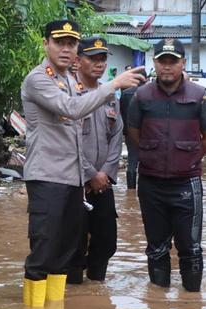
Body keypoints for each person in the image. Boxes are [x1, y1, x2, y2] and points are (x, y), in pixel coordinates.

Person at [21, 20, 144, 307]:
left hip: (72, 181)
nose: (65, 49)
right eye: (59, 42)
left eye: (71, 43)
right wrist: (114, 84)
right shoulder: (38, 79)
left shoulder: (69, 82)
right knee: (44, 253)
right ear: (45, 44)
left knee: (64, 254)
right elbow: (72, 110)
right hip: (47, 177)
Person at [126, 38, 206, 292]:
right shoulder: (141, 96)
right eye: (162, 61)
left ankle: (191, 302)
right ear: (154, 63)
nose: (167, 67)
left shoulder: (200, 96)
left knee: (190, 247)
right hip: (150, 182)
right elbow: (132, 132)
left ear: (182, 64)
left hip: (186, 182)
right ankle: (158, 306)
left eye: (173, 61)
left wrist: (190, 157)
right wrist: (151, 154)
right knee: (156, 246)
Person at [67, 36, 124, 284]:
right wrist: (90, 174)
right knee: (73, 243)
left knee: (107, 241)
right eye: (93, 58)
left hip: (104, 183)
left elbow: (117, 136)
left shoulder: (111, 96)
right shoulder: (69, 95)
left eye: (103, 59)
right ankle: (74, 294)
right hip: (75, 181)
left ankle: (96, 289)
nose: (99, 64)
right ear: (78, 61)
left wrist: (106, 174)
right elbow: (67, 141)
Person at [120, 69, 147, 189]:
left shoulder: (125, 93)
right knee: (147, 161)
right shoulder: (150, 93)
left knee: (132, 159)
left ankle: (130, 189)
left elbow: (121, 113)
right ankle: (145, 187)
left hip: (130, 131)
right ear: (145, 79)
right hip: (148, 132)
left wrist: (124, 131)